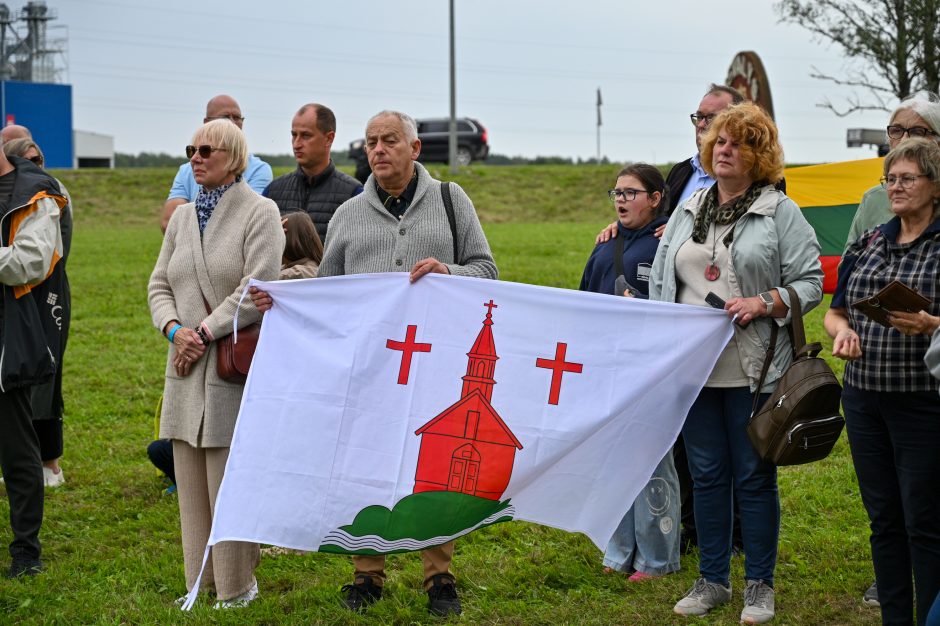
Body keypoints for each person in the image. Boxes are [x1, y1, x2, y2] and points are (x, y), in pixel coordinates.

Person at [250, 110, 497, 616]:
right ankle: (367, 574)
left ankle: (439, 576)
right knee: (364, 465)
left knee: (434, 472)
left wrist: (447, 271)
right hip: (368, 368)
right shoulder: (348, 215)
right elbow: (328, 291)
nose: (378, 150)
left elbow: (487, 269)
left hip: (435, 363)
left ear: (414, 149)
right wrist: (288, 302)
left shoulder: (451, 201)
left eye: (389, 141)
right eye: (371, 143)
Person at [649, 102, 823, 623]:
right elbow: (663, 279)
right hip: (693, 367)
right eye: (720, 141)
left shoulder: (778, 211)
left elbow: (811, 283)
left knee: (751, 475)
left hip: (754, 366)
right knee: (704, 474)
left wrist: (764, 301)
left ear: (759, 155)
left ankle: (759, 586)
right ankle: (712, 580)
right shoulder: (689, 206)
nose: (725, 149)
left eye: (740, 143)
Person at [596, 84, 749, 556]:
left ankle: (736, 532)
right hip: (674, 313)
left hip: (728, 320)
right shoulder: (684, 171)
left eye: (712, 119)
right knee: (683, 432)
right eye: (698, 118)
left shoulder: (764, 181)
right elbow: (652, 222)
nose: (703, 126)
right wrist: (620, 231)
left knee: (735, 441)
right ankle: (686, 524)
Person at [148, 119, 284, 608]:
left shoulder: (260, 211)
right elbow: (158, 284)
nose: (195, 158)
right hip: (184, 364)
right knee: (188, 478)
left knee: (228, 480)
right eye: (191, 149)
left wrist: (203, 332)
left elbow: (258, 286)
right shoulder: (182, 218)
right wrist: (174, 330)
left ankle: (236, 586)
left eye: (206, 150)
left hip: (227, 363)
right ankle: (198, 582)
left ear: (233, 156)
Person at [825, 138, 940, 626]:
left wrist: (933, 324)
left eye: (907, 178)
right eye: (890, 179)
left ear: (935, 186)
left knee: (925, 522)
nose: (895, 187)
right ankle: (896, 618)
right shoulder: (870, 240)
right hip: (865, 399)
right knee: (884, 520)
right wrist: (845, 331)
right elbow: (833, 313)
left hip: (924, 403)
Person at [579, 163, 678, 580]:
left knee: (652, 462)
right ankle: (619, 549)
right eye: (616, 192)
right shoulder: (604, 246)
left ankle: (657, 558)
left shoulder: (668, 245)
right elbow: (583, 303)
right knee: (614, 460)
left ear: (656, 199)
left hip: (652, 369)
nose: (620, 199)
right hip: (608, 368)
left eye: (631, 192)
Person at [0, 138, 66, 578]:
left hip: (8, 333)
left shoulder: (35, 192)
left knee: (17, 448)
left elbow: (32, 261)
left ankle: (26, 552)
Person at [160, 95, 273, 232]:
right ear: (207, 122)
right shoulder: (186, 171)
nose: (232, 123)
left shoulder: (259, 169)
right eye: (225, 117)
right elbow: (170, 223)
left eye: (237, 117)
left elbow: (249, 219)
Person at [845, 91, 940, 249]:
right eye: (896, 130)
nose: (904, 140)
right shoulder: (873, 199)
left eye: (918, 132)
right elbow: (848, 269)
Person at [264, 103, 363, 243]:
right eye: (294, 135)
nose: (296, 144)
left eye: (305, 135)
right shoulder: (272, 192)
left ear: (329, 138)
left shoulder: (354, 194)